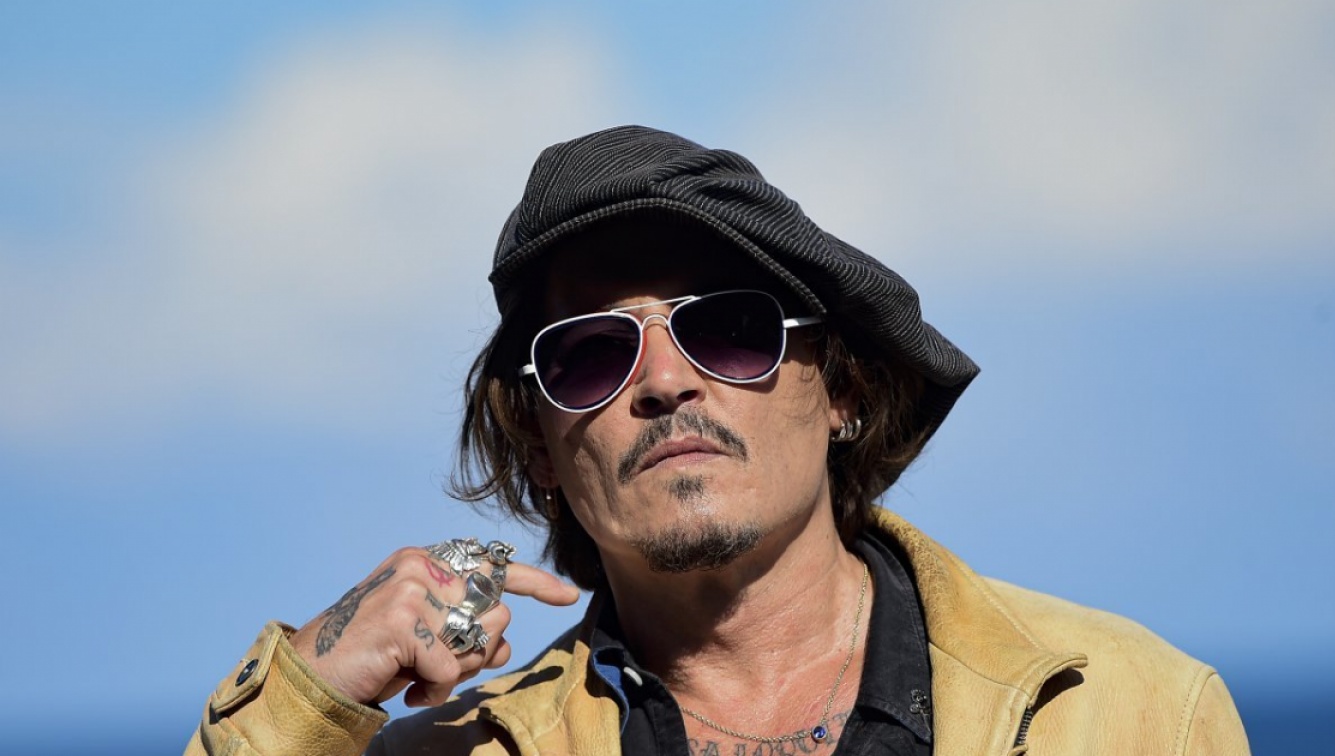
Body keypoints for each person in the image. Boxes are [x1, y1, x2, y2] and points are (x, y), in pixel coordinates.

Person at [188, 125, 1250, 755]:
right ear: (542, 448)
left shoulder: (1128, 713)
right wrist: (307, 701)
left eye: (730, 330)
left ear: (843, 390)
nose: (663, 381)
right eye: (591, 355)